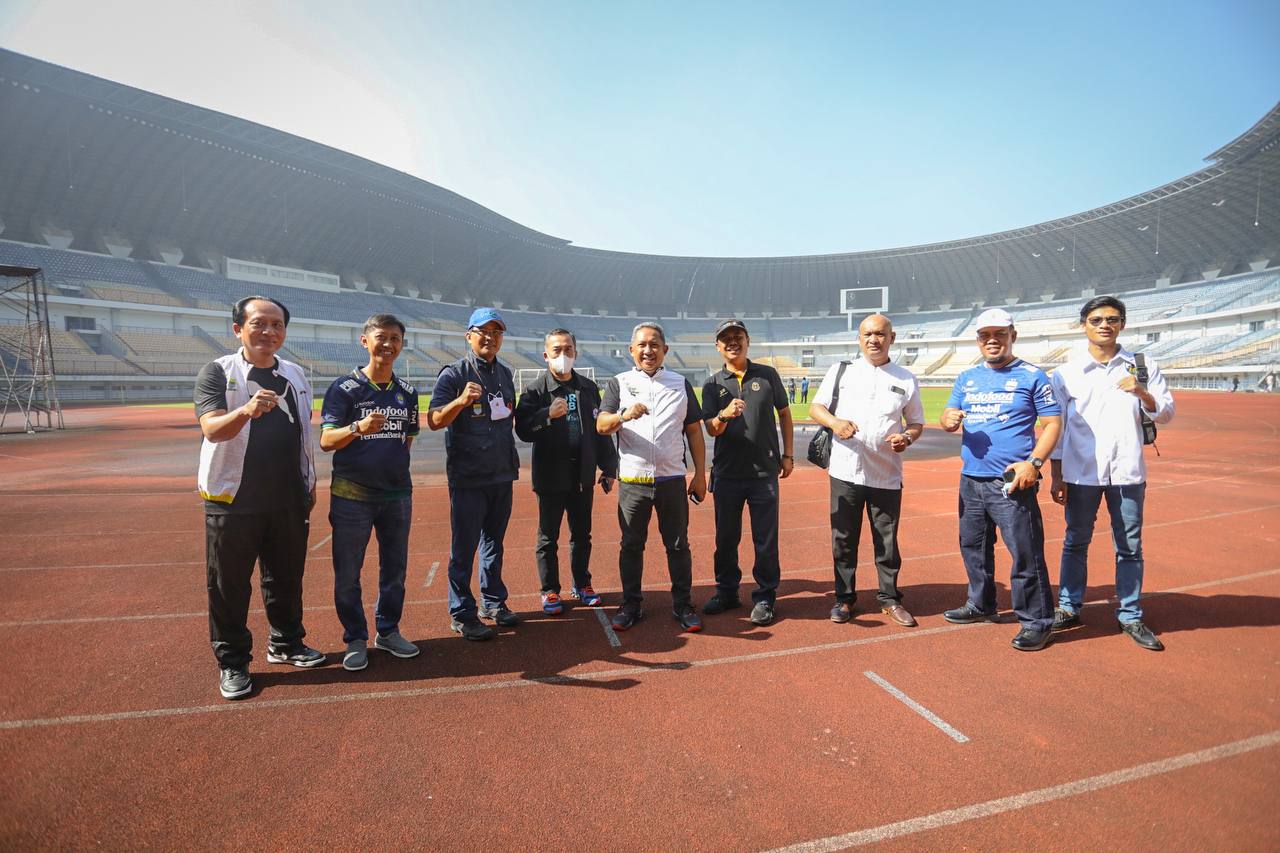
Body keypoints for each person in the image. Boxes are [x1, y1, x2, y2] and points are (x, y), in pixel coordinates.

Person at [194, 296, 325, 700]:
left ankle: (285, 642)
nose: (269, 332)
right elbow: (213, 429)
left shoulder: (297, 374)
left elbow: (302, 432)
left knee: (286, 578)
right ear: (238, 329)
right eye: (259, 324)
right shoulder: (218, 371)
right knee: (228, 585)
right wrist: (247, 411)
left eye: (277, 325)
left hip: (287, 497)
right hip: (233, 499)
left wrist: (309, 483)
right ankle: (233, 661)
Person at [1049, 296, 1176, 650]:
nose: (1105, 324)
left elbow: (1166, 413)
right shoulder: (1066, 373)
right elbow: (1057, 428)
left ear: (1122, 324)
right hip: (1080, 473)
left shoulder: (1142, 365)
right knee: (1075, 542)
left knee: (1130, 547)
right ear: (1084, 325)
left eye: (1113, 319)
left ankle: (1131, 615)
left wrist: (1142, 392)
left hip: (1127, 473)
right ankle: (1069, 606)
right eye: (1097, 319)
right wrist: (1057, 475)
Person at [940, 307, 1061, 652]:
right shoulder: (967, 378)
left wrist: (1034, 463)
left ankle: (1037, 621)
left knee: (1025, 552)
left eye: (1000, 334)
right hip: (971, 479)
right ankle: (981, 603)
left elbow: (1052, 424)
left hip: (1011, 480)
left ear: (1013, 336)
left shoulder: (1033, 376)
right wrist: (948, 419)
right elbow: (949, 418)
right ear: (978, 340)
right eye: (985, 335)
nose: (992, 341)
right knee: (973, 547)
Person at [319, 314, 421, 671]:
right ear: (365, 341)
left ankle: (388, 631)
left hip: (397, 496)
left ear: (402, 344)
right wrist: (358, 428)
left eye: (395, 338)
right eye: (381, 337)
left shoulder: (408, 392)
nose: (388, 344)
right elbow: (326, 440)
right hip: (352, 496)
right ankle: (355, 638)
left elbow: (406, 440)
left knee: (395, 569)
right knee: (348, 572)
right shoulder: (344, 388)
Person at [810, 314, 925, 628]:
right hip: (845, 471)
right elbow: (816, 408)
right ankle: (844, 598)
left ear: (892, 337)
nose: (874, 340)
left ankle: (889, 599)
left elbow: (916, 423)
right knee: (844, 539)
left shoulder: (905, 378)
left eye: (880, 334)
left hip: (886, 474)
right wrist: (835, 423)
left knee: (886, 541)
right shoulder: (841, 371)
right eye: (867, 334)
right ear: (859, 339)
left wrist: (907, 437)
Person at [597, 322, 708, 632]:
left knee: (678, 545)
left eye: (654, 345)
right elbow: (601, 425)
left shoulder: (680, 383)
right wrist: (623, 415)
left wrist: (700, 474)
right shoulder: (618, 383)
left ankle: (683, 604)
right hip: (633, 481)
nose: (648, 350)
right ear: (632, 350)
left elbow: (694, 432)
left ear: (665, 350)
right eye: (642, 345)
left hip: (672, 479)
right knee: (631, 545)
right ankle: (631, 604)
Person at [428, 307, 520, 641]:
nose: (490, 338)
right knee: (463, 548)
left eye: (497, 333)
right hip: (469, 477)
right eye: (483, 331)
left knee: (495, 544)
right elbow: (435, 419)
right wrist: (461, 402)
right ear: (469, 335)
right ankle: (462, 612)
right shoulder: (453, 374)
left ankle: (493, 602)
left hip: (501, 474)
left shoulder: (506, 374)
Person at [515, 328, 618, 615]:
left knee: (582, 534)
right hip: (551, 475)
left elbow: (600, 432)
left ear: (576, 352)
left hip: (582, 474)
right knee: (548, 537)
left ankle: (582, 584)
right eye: (557, 350)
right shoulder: (535, 390)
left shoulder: (587, 387)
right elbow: (523, 430)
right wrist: (546, 415)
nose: (563, 355)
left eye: (568, 350)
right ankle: (549, 590)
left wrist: (609, 467)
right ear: (546, 355)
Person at [701, 319, 794, 626]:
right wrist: (724, 415)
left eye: (737, 337)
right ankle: (727, 591)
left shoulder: (767, 375)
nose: (732, 342)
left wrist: (788, 455)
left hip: (763, 473)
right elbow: (711, 429)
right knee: (726, 538)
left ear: (747, 340)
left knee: (765, 539)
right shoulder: (713, 384)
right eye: (725, 339)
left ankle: (765, 596)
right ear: (718, 346)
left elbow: (784, 413)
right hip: (727, 474)